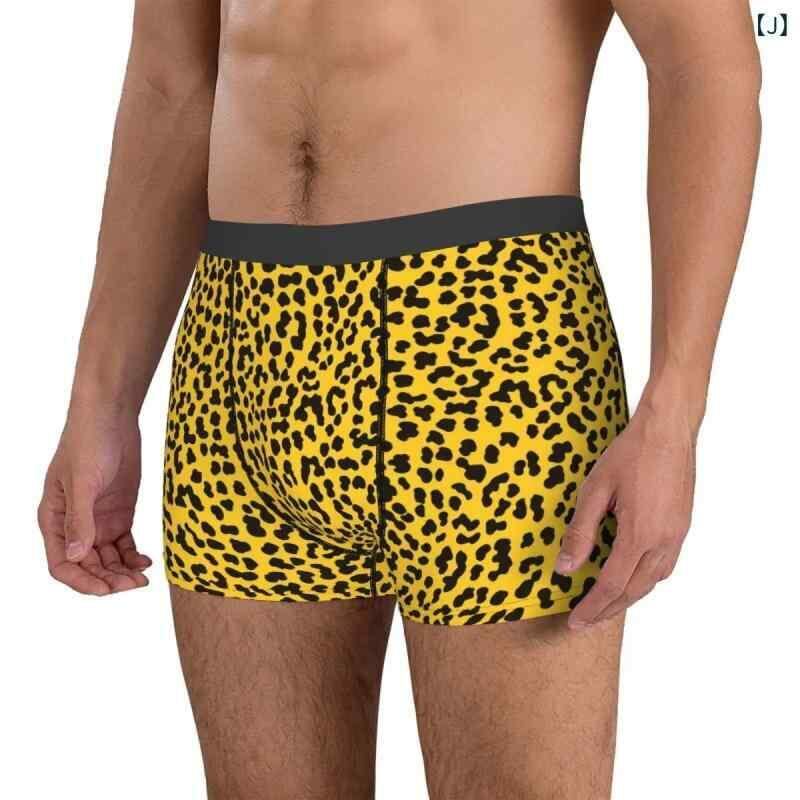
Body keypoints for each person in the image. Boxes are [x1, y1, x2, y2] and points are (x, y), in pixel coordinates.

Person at [37, 1, 761, 797]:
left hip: (492, 349)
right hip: (238, 350)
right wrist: (102, 398)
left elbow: (705, 66)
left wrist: (673, 412)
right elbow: (172, 81)